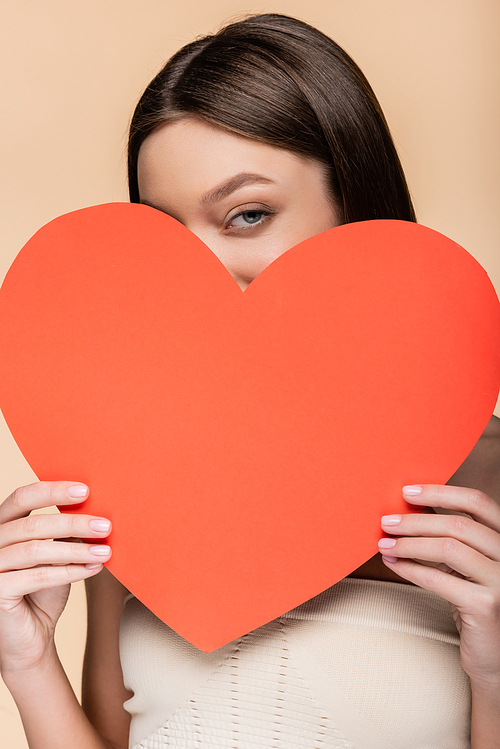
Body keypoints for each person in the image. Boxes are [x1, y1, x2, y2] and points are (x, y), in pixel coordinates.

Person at [1, 12, 499, 749]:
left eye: (248, 214)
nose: (198, 270)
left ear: (355, 210)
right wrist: (29, 660)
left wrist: (495, 672)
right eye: (167, 236)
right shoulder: (127, 472)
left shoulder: (483, 484)